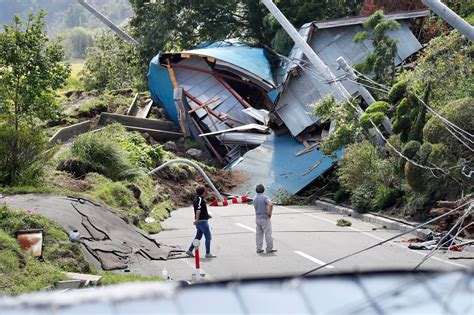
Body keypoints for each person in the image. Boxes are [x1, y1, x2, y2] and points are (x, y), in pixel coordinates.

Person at [186, 185, 216, 258]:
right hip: (202, 222)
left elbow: (201, 209)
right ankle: (208, 253)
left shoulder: (196, 199)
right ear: (203, 192)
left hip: (200, 221)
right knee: (208, 237)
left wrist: (207, 215)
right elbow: (198, 209)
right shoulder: (200, 199)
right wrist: (197, 219)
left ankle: (190, 250)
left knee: (198, 237)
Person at [253, 184, 277, 254]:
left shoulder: (254, 198)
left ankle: (258, 249)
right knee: (268, 234)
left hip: (257, 218)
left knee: (259, 234)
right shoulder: (265, 197)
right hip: (265, 218)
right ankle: (269, 248)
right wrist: (269, 214)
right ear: (263, 190)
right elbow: (270, 204)